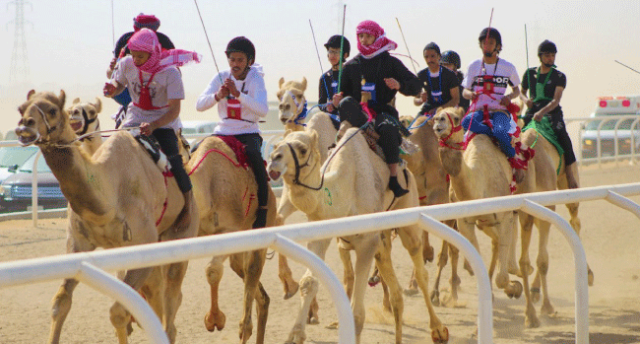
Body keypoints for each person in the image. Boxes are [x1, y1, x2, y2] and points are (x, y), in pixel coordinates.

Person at [103, 28, 201, 229]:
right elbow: (119, 83)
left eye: (141, 56)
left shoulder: (171, 73)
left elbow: (174, 110)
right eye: (134, 55)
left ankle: (188, 205)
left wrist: (155, 125)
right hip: (135, 117)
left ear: (152, 53)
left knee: (174, 159)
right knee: (112, 149)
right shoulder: (126, 63)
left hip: (163, 121)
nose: (136, 60)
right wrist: (113, 88)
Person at [332, 20, 422, 197]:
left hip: (382, 112)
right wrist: (335, 101)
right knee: (345, 104)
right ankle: (370, 133)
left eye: (368, 36)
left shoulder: (390, 62)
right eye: (361, 36)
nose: (364, 40)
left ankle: (394, 178)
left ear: (377, 36)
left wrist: (399, 84)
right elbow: (342, 93)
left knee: (388, 129)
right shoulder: (350, 66)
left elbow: (416, 85)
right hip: (357, 112)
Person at [195, 36, 270, 228]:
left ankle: (263, 208)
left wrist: (238, 95)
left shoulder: (256, 79)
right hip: (222, 131)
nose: (235, 64)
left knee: (254, 156)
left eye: (240, 60)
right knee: (195, 151)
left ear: (249, 61)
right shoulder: (220, 77)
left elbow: (262, 110)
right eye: (232, 60)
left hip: (248, 131)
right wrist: (217, 96)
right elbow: (199, 105)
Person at [461, 27, 526, 182]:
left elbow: (517, 90)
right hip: (478, 110)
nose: (487, 46)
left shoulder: (507, 67)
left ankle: (514, 159)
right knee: (465, 123)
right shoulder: (473, 66)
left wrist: (509, 97)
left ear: (498, 46)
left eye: (490, 43)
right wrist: (471, 94)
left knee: (500, 132)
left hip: (499, 111)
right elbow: (465, 91)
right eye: (484, 43)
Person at [520, 40, 578, 188]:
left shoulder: (559, 76)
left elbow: (556, 100)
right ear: (540, 56)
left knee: (563, 135)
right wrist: (526, 101)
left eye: (553, 55)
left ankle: (570, 174)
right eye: (547, 55)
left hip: (551, 112)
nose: (550, 58)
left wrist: (541, 112)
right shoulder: (529, 73)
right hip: (532, 111)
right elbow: (521, 93)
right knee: (516, 134)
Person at [106, 14, 175, 128]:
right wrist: (112, 69)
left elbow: (175, 73)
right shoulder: (125, 42)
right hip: (130, 91)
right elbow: (111, 74)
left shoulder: (164, 42)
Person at [414, 42, 460, 116]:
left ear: (439, 56)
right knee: (414, 126)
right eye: (426, 57)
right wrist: (421, 100)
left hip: (447, 111)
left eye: (432, 56)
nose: (429, 60)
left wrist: (438, 110)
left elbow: (455, 99)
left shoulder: (450, 75)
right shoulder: (421, 75)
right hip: (427, 111)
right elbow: (415, 100)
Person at [318, 35, 350, 129]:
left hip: (347, 118)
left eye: (336, 52)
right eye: (331, 51)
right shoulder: (324, 77)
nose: (332, 55)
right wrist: (327, 107)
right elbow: (321, 103)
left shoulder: (350, 74)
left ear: (345, 55)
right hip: (330, 119)